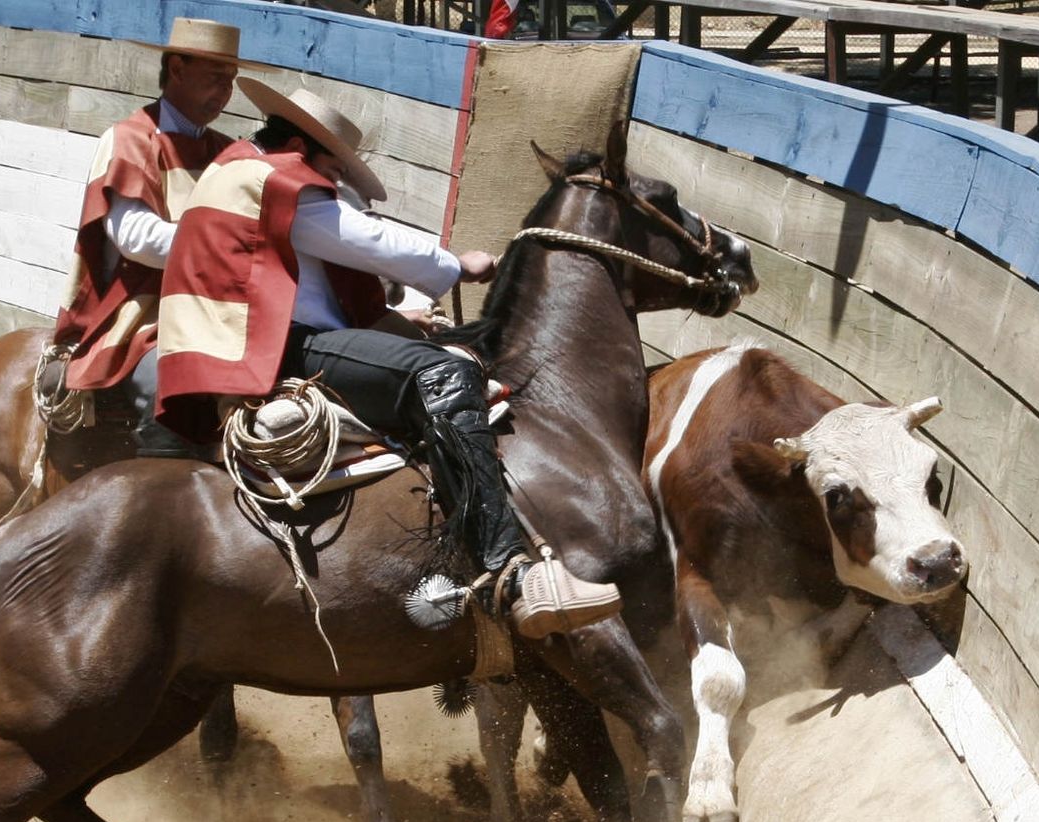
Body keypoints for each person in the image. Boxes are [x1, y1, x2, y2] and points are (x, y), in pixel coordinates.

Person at [155, 80, 622, 639]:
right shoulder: (281, 182)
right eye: (334, 170)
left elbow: (308, 281)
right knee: (445, 371)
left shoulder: (238, 171)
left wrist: (398, 320)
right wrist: (455, 265)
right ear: (308, 149)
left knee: (432, 359)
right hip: (275, 349)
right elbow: (363, 240)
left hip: (245, 346)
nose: (334, 184)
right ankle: (508, 571)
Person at [51, 18, 263, 407]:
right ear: (177, 70)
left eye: (231, 80)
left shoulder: (226, 149)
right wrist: (232, 248)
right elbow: (137, 240)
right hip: (140, 310)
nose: (226, 92)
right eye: (216, 77)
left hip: (213, 304)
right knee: (170, 388)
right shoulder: (130, 139)